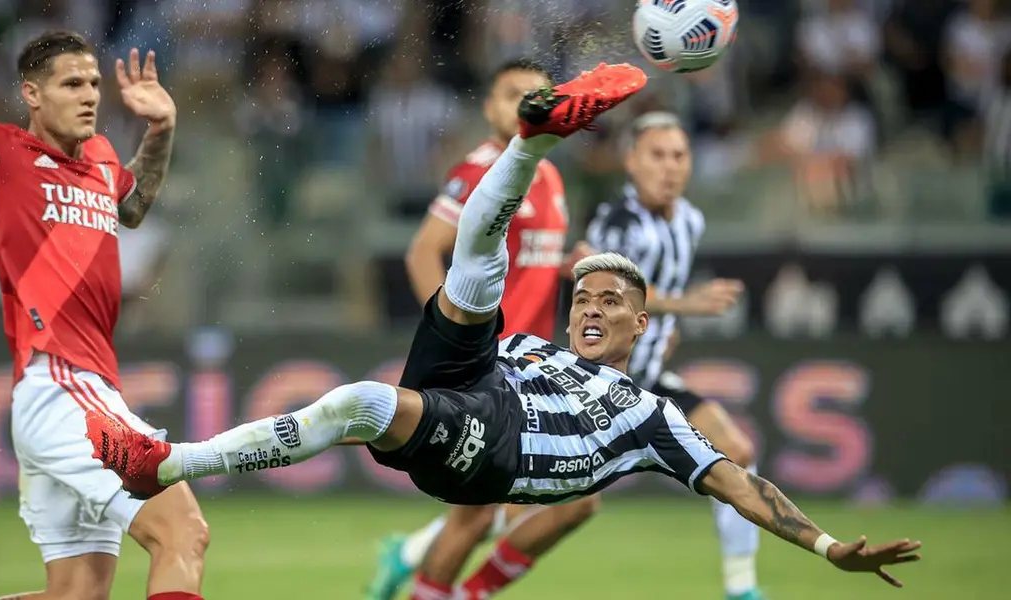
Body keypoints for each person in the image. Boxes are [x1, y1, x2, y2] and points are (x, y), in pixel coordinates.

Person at [86, 63, 921, 594]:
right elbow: (474, 289)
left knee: (363, 405)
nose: (590, 308)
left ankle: (168, 463)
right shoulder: (537, 346)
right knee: (475, 271)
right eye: (583, 297)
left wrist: (827, 545)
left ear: (640, 321)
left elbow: (741, 482)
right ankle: (530, 141)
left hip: (499, 451)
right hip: (486, 381)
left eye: (609, 303)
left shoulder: (651, 419)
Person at [0, 3, 207, 600]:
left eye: (92, 83)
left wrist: (161, 130)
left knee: (76, 597)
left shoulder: (104, 159)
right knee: (183, 533)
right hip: (60, 387)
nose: (89, 95)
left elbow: (132, 209)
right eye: (71, 84)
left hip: (83, 390)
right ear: (32, 94)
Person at [376, 58, 599, 600]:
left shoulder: (546, 172)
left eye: (537, 95)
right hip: (489, 365)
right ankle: (433, 581)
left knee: (574, 495)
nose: (526, 104)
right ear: (489, 107)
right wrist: (453, 339)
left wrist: (569, 262)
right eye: (512, 95)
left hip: (533, 362)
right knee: (479, 513)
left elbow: (525, 258)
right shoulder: (480, 169)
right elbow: (423, 250)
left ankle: (426, 569)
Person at [585, 111, 762, 600]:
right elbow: (613, 290)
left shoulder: (690, 220)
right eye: (657, 155)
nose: (670, 167)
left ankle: (742, 590)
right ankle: (416, 554)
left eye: (679, 156)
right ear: (631, 162)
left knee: (737, 453)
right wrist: (686, 304)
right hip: (593, 385)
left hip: (649, 379)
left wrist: (669, 326)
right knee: (532, 502)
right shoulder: (618, 222)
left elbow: (658, 295)